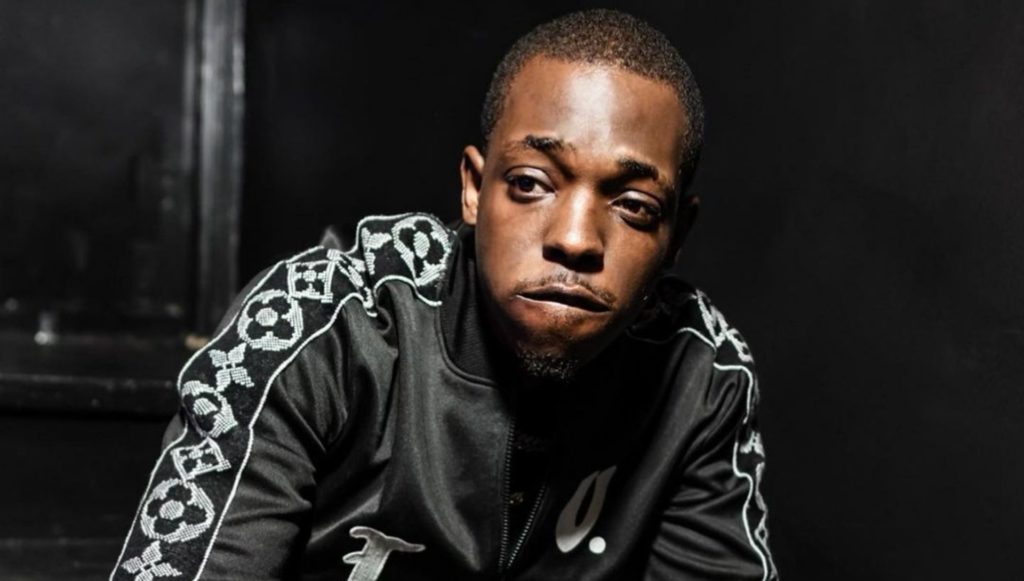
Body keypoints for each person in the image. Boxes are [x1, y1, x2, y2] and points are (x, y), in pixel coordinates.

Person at [112, 9, 777, 581]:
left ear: (677, 234)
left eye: (633, 206)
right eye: (530, 183)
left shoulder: (701, 377)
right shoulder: (318, 325)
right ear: (474, 188)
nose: (575, 239)